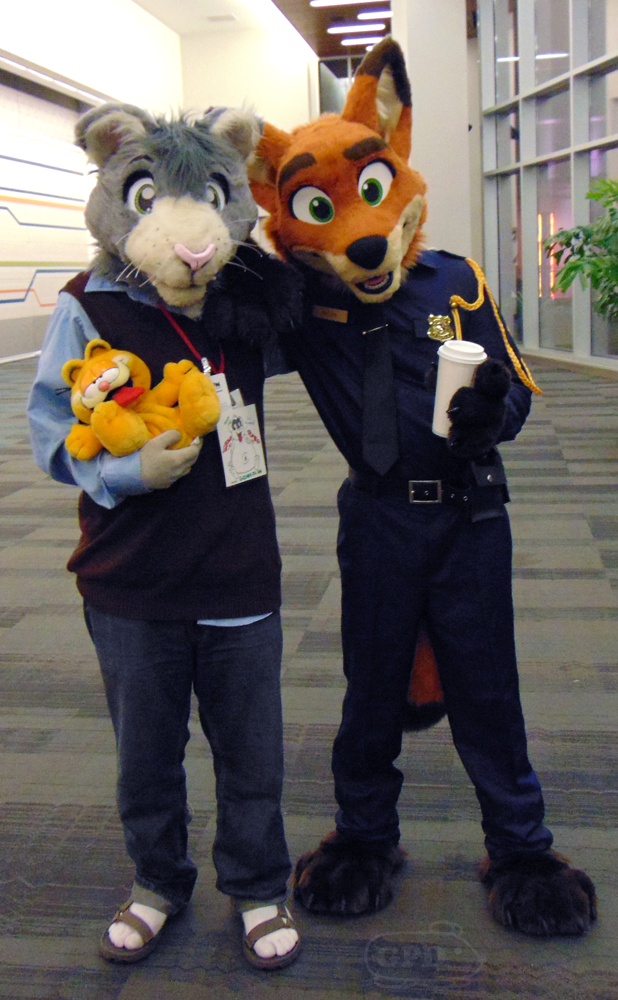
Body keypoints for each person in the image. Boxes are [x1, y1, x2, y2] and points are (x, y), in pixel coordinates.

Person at [249, 38, 597, 935]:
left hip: (473, 515)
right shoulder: (303, 300)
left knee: (488, 685)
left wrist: (492, 413)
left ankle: (520, 845)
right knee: (370, 685)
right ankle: (364, 835)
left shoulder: (456, 279)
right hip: (378, 520)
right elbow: (230, 327)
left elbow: (517, 385)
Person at [28, 101, 302, 967]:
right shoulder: (88, 306)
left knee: (251, 752)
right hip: (131, 578)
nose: (188, 241)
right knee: (145, 755)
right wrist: (123, 474)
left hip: (237, 570)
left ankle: (257, 885)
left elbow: (321, 338)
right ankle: (157, 880)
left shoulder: (244, 299)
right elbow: (47, 430)